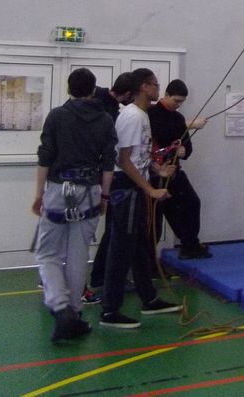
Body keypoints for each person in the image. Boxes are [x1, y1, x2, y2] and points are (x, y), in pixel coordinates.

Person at [32, 68, 117, 342]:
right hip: (90, 191)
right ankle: (75, 312)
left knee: (47, 254)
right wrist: (104, 197)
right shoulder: (105, 120)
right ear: (93, 89)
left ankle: (60, 307)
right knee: (79, 253)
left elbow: (46, 155)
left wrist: (39, 193)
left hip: (59, 188)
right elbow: (108, 162)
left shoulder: (57, 116)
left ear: (69, 89)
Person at [100, 68, 182, 329]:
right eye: (156, 85)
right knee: (121, 247)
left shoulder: (142, 116)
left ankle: (149, 298)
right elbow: (123, 160)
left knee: (140, 245)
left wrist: (158, 170)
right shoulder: (132, 117)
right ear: (145, 87)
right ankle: (110, 310)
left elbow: (139, 156)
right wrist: (150, 189)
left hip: (135, 184)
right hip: (126, 188)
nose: (159, 89)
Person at [86, 71, 135, 302]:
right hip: (94, 179)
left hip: (100, 178)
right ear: (127, 93)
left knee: (110, 230)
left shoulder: (112, 108)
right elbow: (107, 150)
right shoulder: (99, 107)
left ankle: (98, 277)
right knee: (84, 234)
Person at [149, 79, 211, 260]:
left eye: (182, 102)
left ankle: (189, 245)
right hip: (154, 172)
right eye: (176, 100)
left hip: (174, 171)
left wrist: (184, 151)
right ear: (166, 95)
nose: (178, 105)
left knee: (192, 202)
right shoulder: (151, 114)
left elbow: (187, 145)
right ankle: (150, 261)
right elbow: (159, 135)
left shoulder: (178, 118)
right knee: (157, 218)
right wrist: (187, 127)